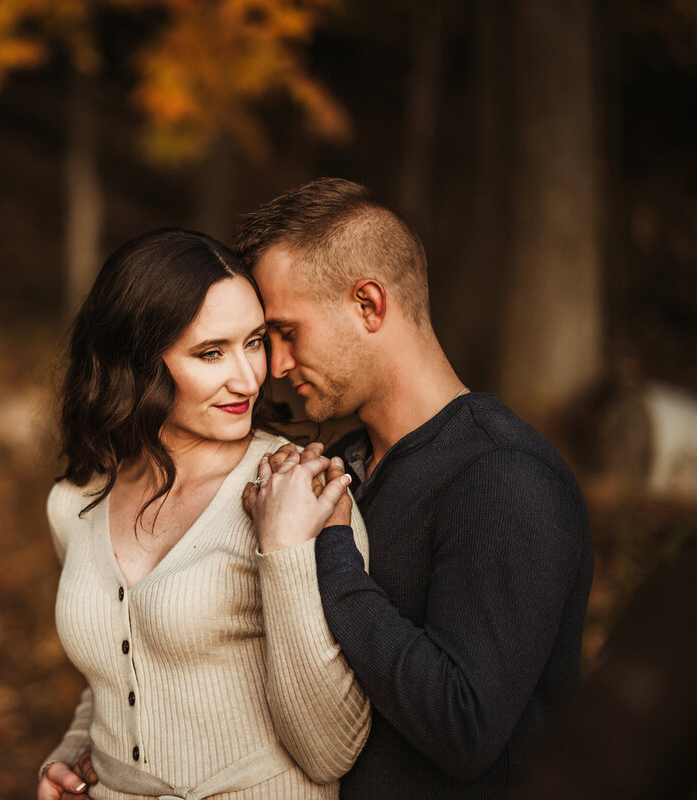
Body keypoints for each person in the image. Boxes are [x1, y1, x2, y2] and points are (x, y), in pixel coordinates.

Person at [236, 178, 594, 799]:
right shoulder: (340, 468)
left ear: (369, 305)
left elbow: (464, 728)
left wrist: (333, 549)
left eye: (287, 332)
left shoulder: (504, 476)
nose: (278, 366)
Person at [37, 228, 371, 800]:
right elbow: (120, 666)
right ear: (136, 363)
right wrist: (73, 752)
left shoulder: (299, 490)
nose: (248, 379)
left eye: (255, 341)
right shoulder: (76, 503)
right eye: (211, 353)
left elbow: (331, 749)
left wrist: (284, 551)